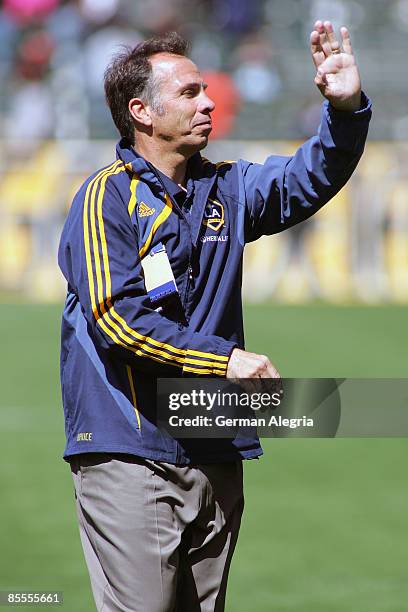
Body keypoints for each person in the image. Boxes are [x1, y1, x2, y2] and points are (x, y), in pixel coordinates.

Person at [58, 20, 371, 612]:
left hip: (214, 440)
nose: (210, 101)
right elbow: (116, 319)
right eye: (190, 92)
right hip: (130, 448)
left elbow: (310, 178)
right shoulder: (106, 197)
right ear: (141, 112)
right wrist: (224, 360)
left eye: (206, 90)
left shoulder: (227, 189)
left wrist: (347, 107)